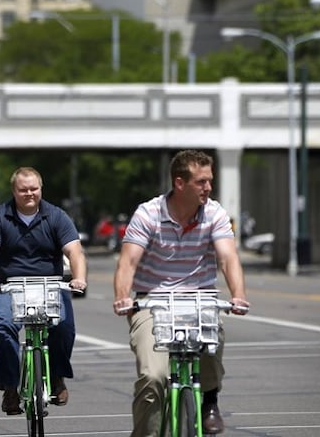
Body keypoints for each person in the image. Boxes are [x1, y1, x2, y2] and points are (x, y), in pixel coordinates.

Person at [112, 150, 250, 436]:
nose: (208, 187)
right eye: (201, 182)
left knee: (213, 338)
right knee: (153, 377)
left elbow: (228, 258)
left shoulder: (214, 213)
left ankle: (209, 400)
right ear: (179, 183)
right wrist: (123, 297)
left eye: (209, 180)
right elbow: (128, 262)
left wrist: (238, 295)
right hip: (153, 303)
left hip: (199, 301)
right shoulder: (148, 213)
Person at [0, 166, 87, 415]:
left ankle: (57, 376)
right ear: (14, 191)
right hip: (11, 286)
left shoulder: (56, 216)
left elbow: (75, 251)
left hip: (50, 285)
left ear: (41, 189)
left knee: (64, 326)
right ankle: (10, 387)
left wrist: (79, 278)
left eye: (33, 189)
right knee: (3, 327)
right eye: (23, 189)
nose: (29, 193)